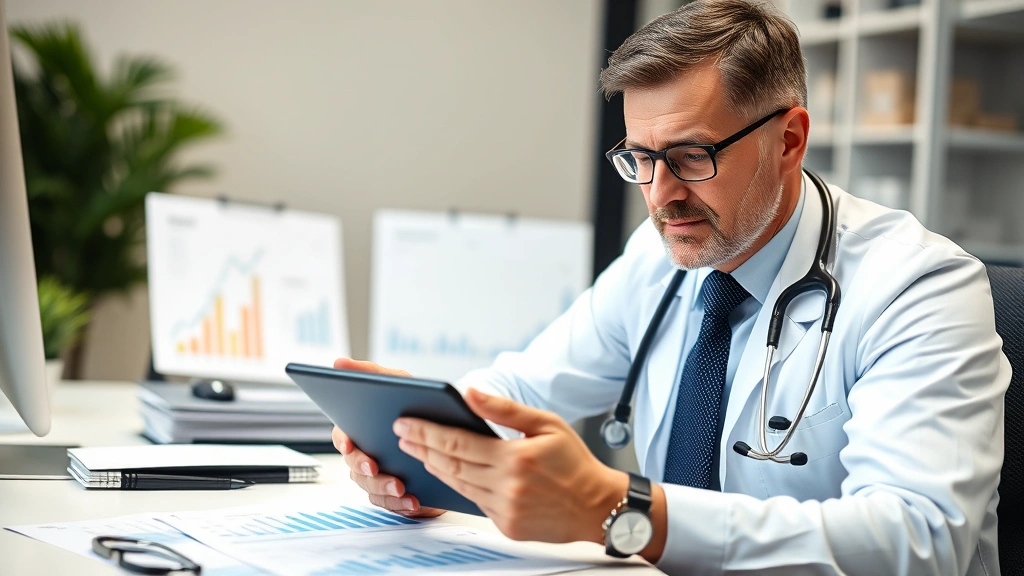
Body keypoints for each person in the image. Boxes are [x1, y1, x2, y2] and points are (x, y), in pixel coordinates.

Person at [332, 1, 1009, 574]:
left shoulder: (920, 288)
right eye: (641, 159)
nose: (661, 196)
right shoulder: (656, 262)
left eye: (691, 156)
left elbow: (920, 540)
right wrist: (418, 453)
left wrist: (624, 511)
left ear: (789, 141)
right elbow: (522, 393)